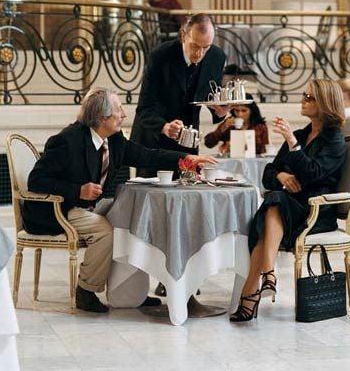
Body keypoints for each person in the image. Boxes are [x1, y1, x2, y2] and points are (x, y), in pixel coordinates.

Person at [22, 87, 216, 313]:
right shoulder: (67, 141)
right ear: (101, 118)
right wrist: (77, 190)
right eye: (119, 110)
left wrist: (188, 158)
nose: (124, 115)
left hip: (87, 207)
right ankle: (86, 290)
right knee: (105, 232)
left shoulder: (114, 141)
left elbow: (148, 155)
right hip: (60, 208)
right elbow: (36, 180)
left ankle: (130, 293)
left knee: (132, 220)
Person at [230, 79, 347, 322]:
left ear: (325, 103)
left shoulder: (335, 140)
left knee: (272, 208)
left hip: (316, 211)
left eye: (309, 98)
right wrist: (282, 174)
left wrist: (293, 145)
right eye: (304, 96)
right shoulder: (302, 134)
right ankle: (268, 276)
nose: (303, 101)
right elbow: (268, 173)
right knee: (274, 202)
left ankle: (251, 294)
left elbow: (313, 173)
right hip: (289, 205)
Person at [130, 12, 227, 176]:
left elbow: (210, 97)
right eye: (195, 46)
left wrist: (221, 112)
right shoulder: (160, 56)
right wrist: (165, 127)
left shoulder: (216, 57)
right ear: (183, 35)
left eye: (206, 47)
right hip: (155, 142)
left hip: (188, 143)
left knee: (188, 196)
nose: (200, 54)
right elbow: (144, 109)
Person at [204, 94, 269, 155]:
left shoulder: (260, 126)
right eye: (237, 110)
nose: (240, 114)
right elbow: (208, 143)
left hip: (253, 161)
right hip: (232, 161)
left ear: (251, 110)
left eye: (244, 110)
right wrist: (223, 128)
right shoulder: (229, 123)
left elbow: (264, 150)